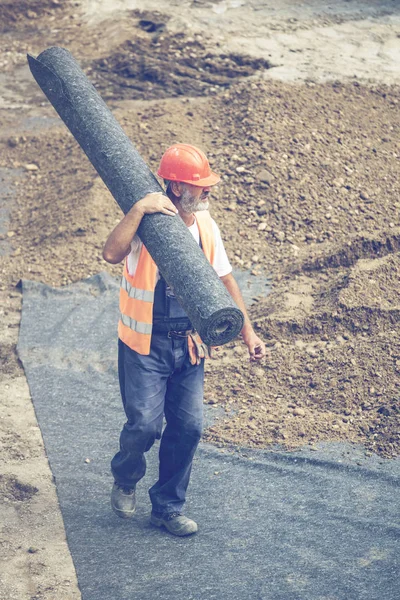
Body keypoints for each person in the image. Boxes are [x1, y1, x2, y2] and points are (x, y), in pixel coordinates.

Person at [103, 143, 265, 537]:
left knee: (189, 427)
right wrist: (139, 209)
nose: (208, 191)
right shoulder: (149, 224)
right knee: (143, 425)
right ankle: (126, 477)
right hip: (145, 343)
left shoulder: (207, 227)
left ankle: (168, 507)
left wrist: (247, 329)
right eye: (200, 185)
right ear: (176, 188)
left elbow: (225, 279)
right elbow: (110, 253)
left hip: (190, 345)